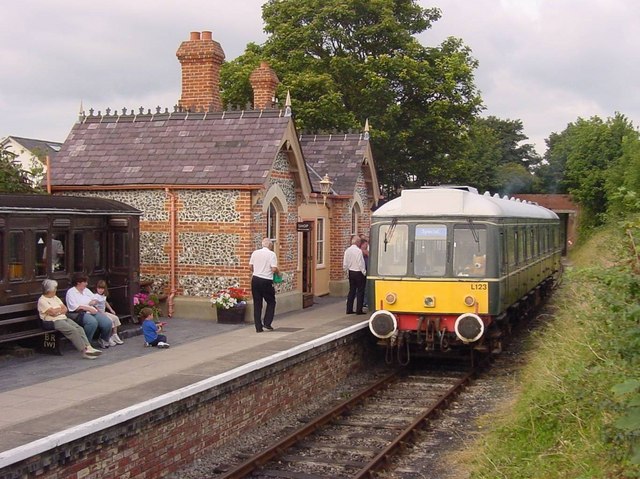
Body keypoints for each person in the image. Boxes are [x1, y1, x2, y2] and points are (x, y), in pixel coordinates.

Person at [37, 279, 102, 360]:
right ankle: (84, 351)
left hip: (63, 318)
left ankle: (89, 347)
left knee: (79, 328)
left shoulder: (55, 297)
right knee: (72, 330)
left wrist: (57, 311)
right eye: (54, 289)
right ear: (49, 290)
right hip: (52, 321)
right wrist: (58, 310)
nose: (56, 290)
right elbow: (52, 313)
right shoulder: (42, 300)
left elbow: (65, 309)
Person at [65, 273, 113, 349]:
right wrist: (88, 308)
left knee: (107, 322)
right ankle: (86, 344)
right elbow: (74, 307)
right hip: (79, 313)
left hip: (92, 311)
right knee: (92, 322)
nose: (86, 284)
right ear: (78, 282)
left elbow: (95, 298)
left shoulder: (86, 290)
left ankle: (103, 339)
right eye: (85, 282)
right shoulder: (71, 292)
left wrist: (93, 302)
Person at [249, 237, 279, 333]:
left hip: (255, 279)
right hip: (266, 280)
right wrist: (279, 273)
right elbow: (274, 269)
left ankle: (258, 327)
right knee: (271, 302)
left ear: (262, 244)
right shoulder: (271, 254)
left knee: (257, 303)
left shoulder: (255, 253)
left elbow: (250, 266)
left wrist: (257, 271)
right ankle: (267, 322)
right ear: (270, 245)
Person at [93, 280, 124, 346]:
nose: (100, 290)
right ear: (96, 288)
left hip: (104, 312)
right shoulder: (95, 296)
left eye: (102, 289)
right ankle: (108, 337)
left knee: (115, 318)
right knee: (110, 321)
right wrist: (101, 312)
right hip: (99, 313)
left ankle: (114, 335)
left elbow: (105, 302)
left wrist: (111, 309)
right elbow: (95, 306)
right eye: (99, 288)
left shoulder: (103, 296)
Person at [343, 236, 366, 315]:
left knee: (351, 291)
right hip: (358, 272)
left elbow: (345, 263)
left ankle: (349, 309)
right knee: (360, 291)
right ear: (358, 242)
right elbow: (361, 263)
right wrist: (364, 272)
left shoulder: (347, 251)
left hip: (351, 272)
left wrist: (346, 271)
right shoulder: (358, 251)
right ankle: (359, 310)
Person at [359, 236, 370, 308]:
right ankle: (364, 302)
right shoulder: (360, 252)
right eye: (366, 244)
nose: (367, 246)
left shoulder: (365, 251)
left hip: (365, 271)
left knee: (365, 288)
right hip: (362, 272)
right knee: (363, 288)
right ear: (362, 245)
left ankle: (364, 301)